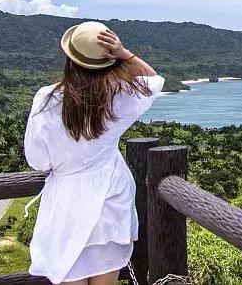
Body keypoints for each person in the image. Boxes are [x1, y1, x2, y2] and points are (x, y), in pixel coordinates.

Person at [23, 21, 164, 285]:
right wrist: (125, 54)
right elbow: (154, 81)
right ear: (108, 62)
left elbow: (37, 160)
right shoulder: (118, 95)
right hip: (110, 199)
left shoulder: (47, 98)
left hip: (66, 204)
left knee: (67, 273)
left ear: (70, 59)